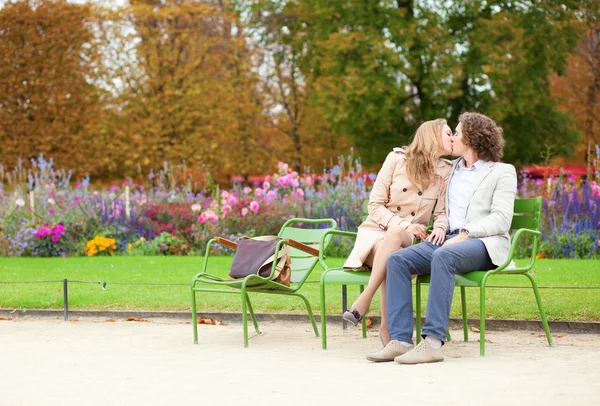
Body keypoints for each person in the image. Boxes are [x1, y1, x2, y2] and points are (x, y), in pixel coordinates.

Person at [366, 112, 516, 364]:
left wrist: (467, 233)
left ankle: (434, 342)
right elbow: (437, 203)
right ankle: (401, 340)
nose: (452, 138)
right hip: (447, 239)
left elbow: (502, 219)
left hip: (482, 243)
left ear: (471, 138)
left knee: (444, 256)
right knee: (398, 260)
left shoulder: (502, 172)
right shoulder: (450, 169)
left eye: (456, 133)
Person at [341, 119, 453, 345]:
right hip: (376, 234)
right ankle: (387, 329)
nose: (453, 138)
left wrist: (440, 226)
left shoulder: (445, 171)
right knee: (391, 248)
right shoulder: (396, 159)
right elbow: (375, 205)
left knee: (395, 244)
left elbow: (442, 212)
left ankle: (365, 299)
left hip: (409, 239)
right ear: (432, 136)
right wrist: (403, 224)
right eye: (448, 133)